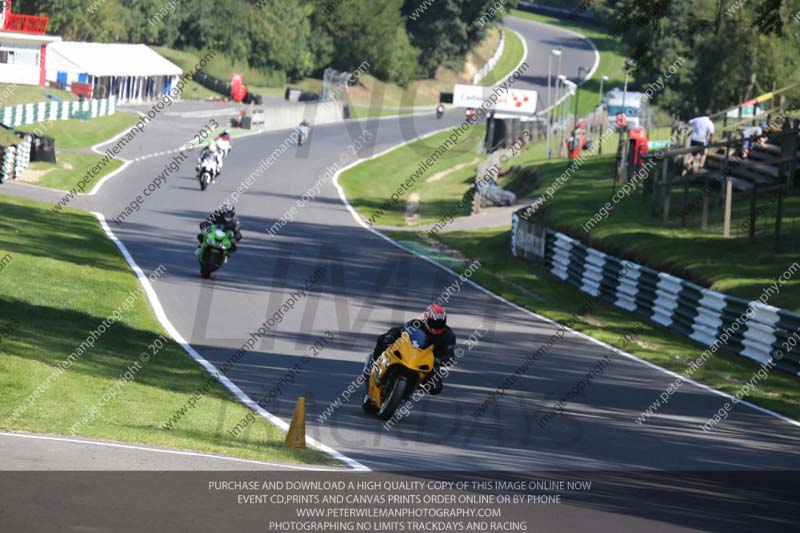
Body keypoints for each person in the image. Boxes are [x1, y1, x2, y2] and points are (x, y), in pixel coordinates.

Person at [365, 304, 456, 394]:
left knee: (436, 388)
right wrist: (390, 336)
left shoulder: (449, 335)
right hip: (409, 352)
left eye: (440, 323)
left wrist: (438, 360)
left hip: (428, 362)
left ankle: (412, 387)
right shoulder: (416, 324)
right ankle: (373, 363)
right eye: (434, 323)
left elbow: (450, 357)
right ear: (426, 319)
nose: (437, 326)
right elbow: (399, 330)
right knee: (383, 339)